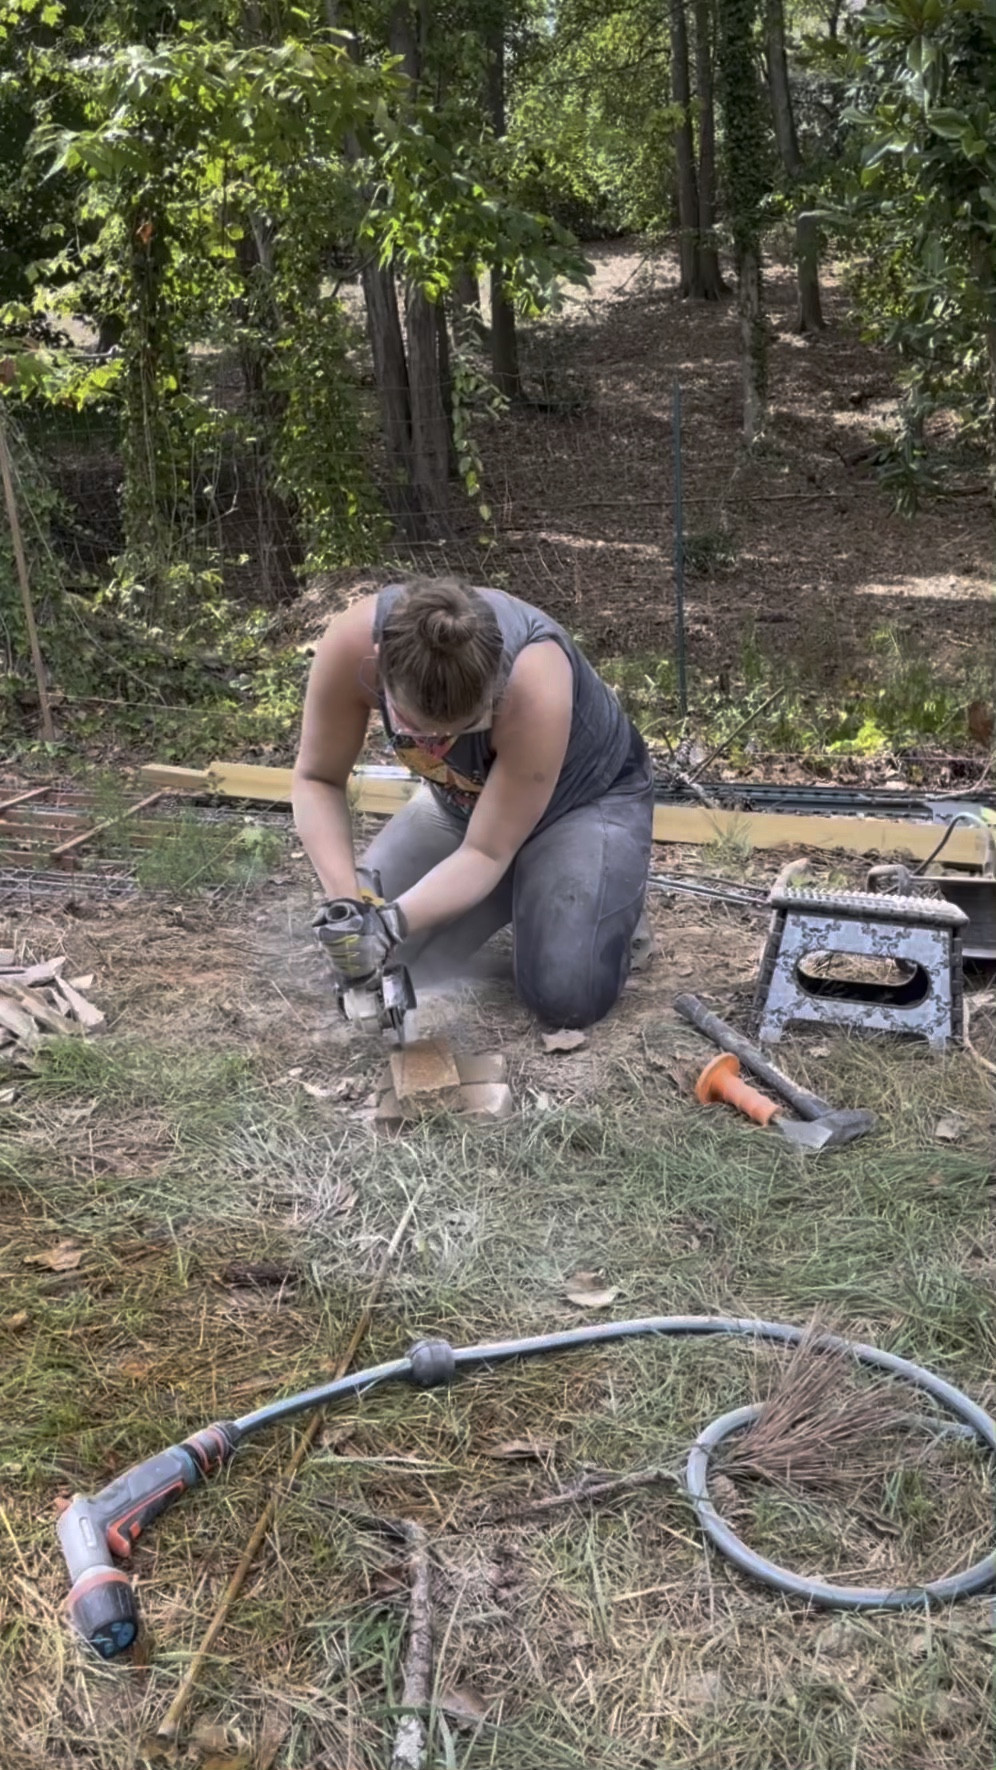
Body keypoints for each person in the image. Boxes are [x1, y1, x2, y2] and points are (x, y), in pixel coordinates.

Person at [292, 576, 654, 1029]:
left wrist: (389, 924)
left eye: (459, 730)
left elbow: (486, 851)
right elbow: (317, 779)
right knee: (374, 960)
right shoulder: (352, 645)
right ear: (381, 666)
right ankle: (525, 888)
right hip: (463, 804)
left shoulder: (535, 679)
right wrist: (349, 908)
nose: (438, 743)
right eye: (418, 729)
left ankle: (599, 894)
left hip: (582, 802)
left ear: (495, 686)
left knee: (567, 994)